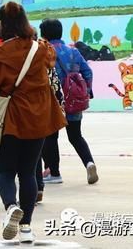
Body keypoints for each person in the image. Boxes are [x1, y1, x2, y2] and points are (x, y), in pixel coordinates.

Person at [0, 2, 66, 243]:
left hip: (9, 120)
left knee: (5, 171)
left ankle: (11, 207)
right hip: (38, 119)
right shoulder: (41, 49)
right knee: (29, 173)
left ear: (1, 24)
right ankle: (27, 228)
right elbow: (50, 63)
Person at [39, 19, 98, 185]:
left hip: (52, 102)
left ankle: (54, 172)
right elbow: (88, 72)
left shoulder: (43, 52)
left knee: (50, 138)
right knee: (76, 136)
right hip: (73, 101)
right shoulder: (74, 52)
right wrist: (85, 92)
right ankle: (89, 163)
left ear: (44, 34)